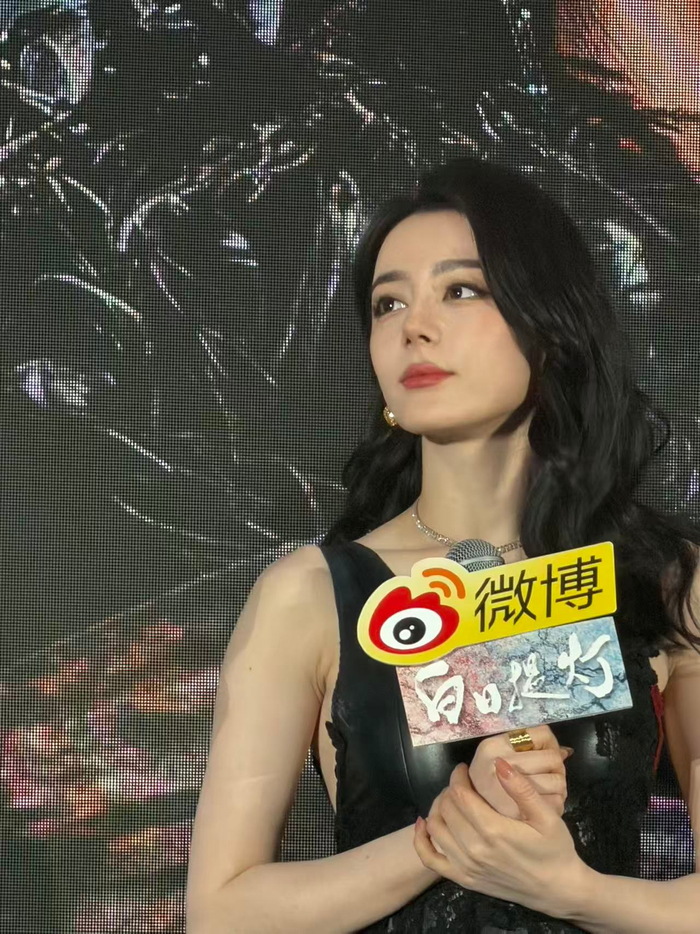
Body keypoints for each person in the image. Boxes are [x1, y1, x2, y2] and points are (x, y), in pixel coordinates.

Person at [187, 154, 700, 932]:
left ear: (549, 327)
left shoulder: (662, 582)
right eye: (388, 303)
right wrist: (446, 835)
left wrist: (575, 892)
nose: (414, 327)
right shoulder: (312, 595)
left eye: (461, 290)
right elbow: (222, 912)